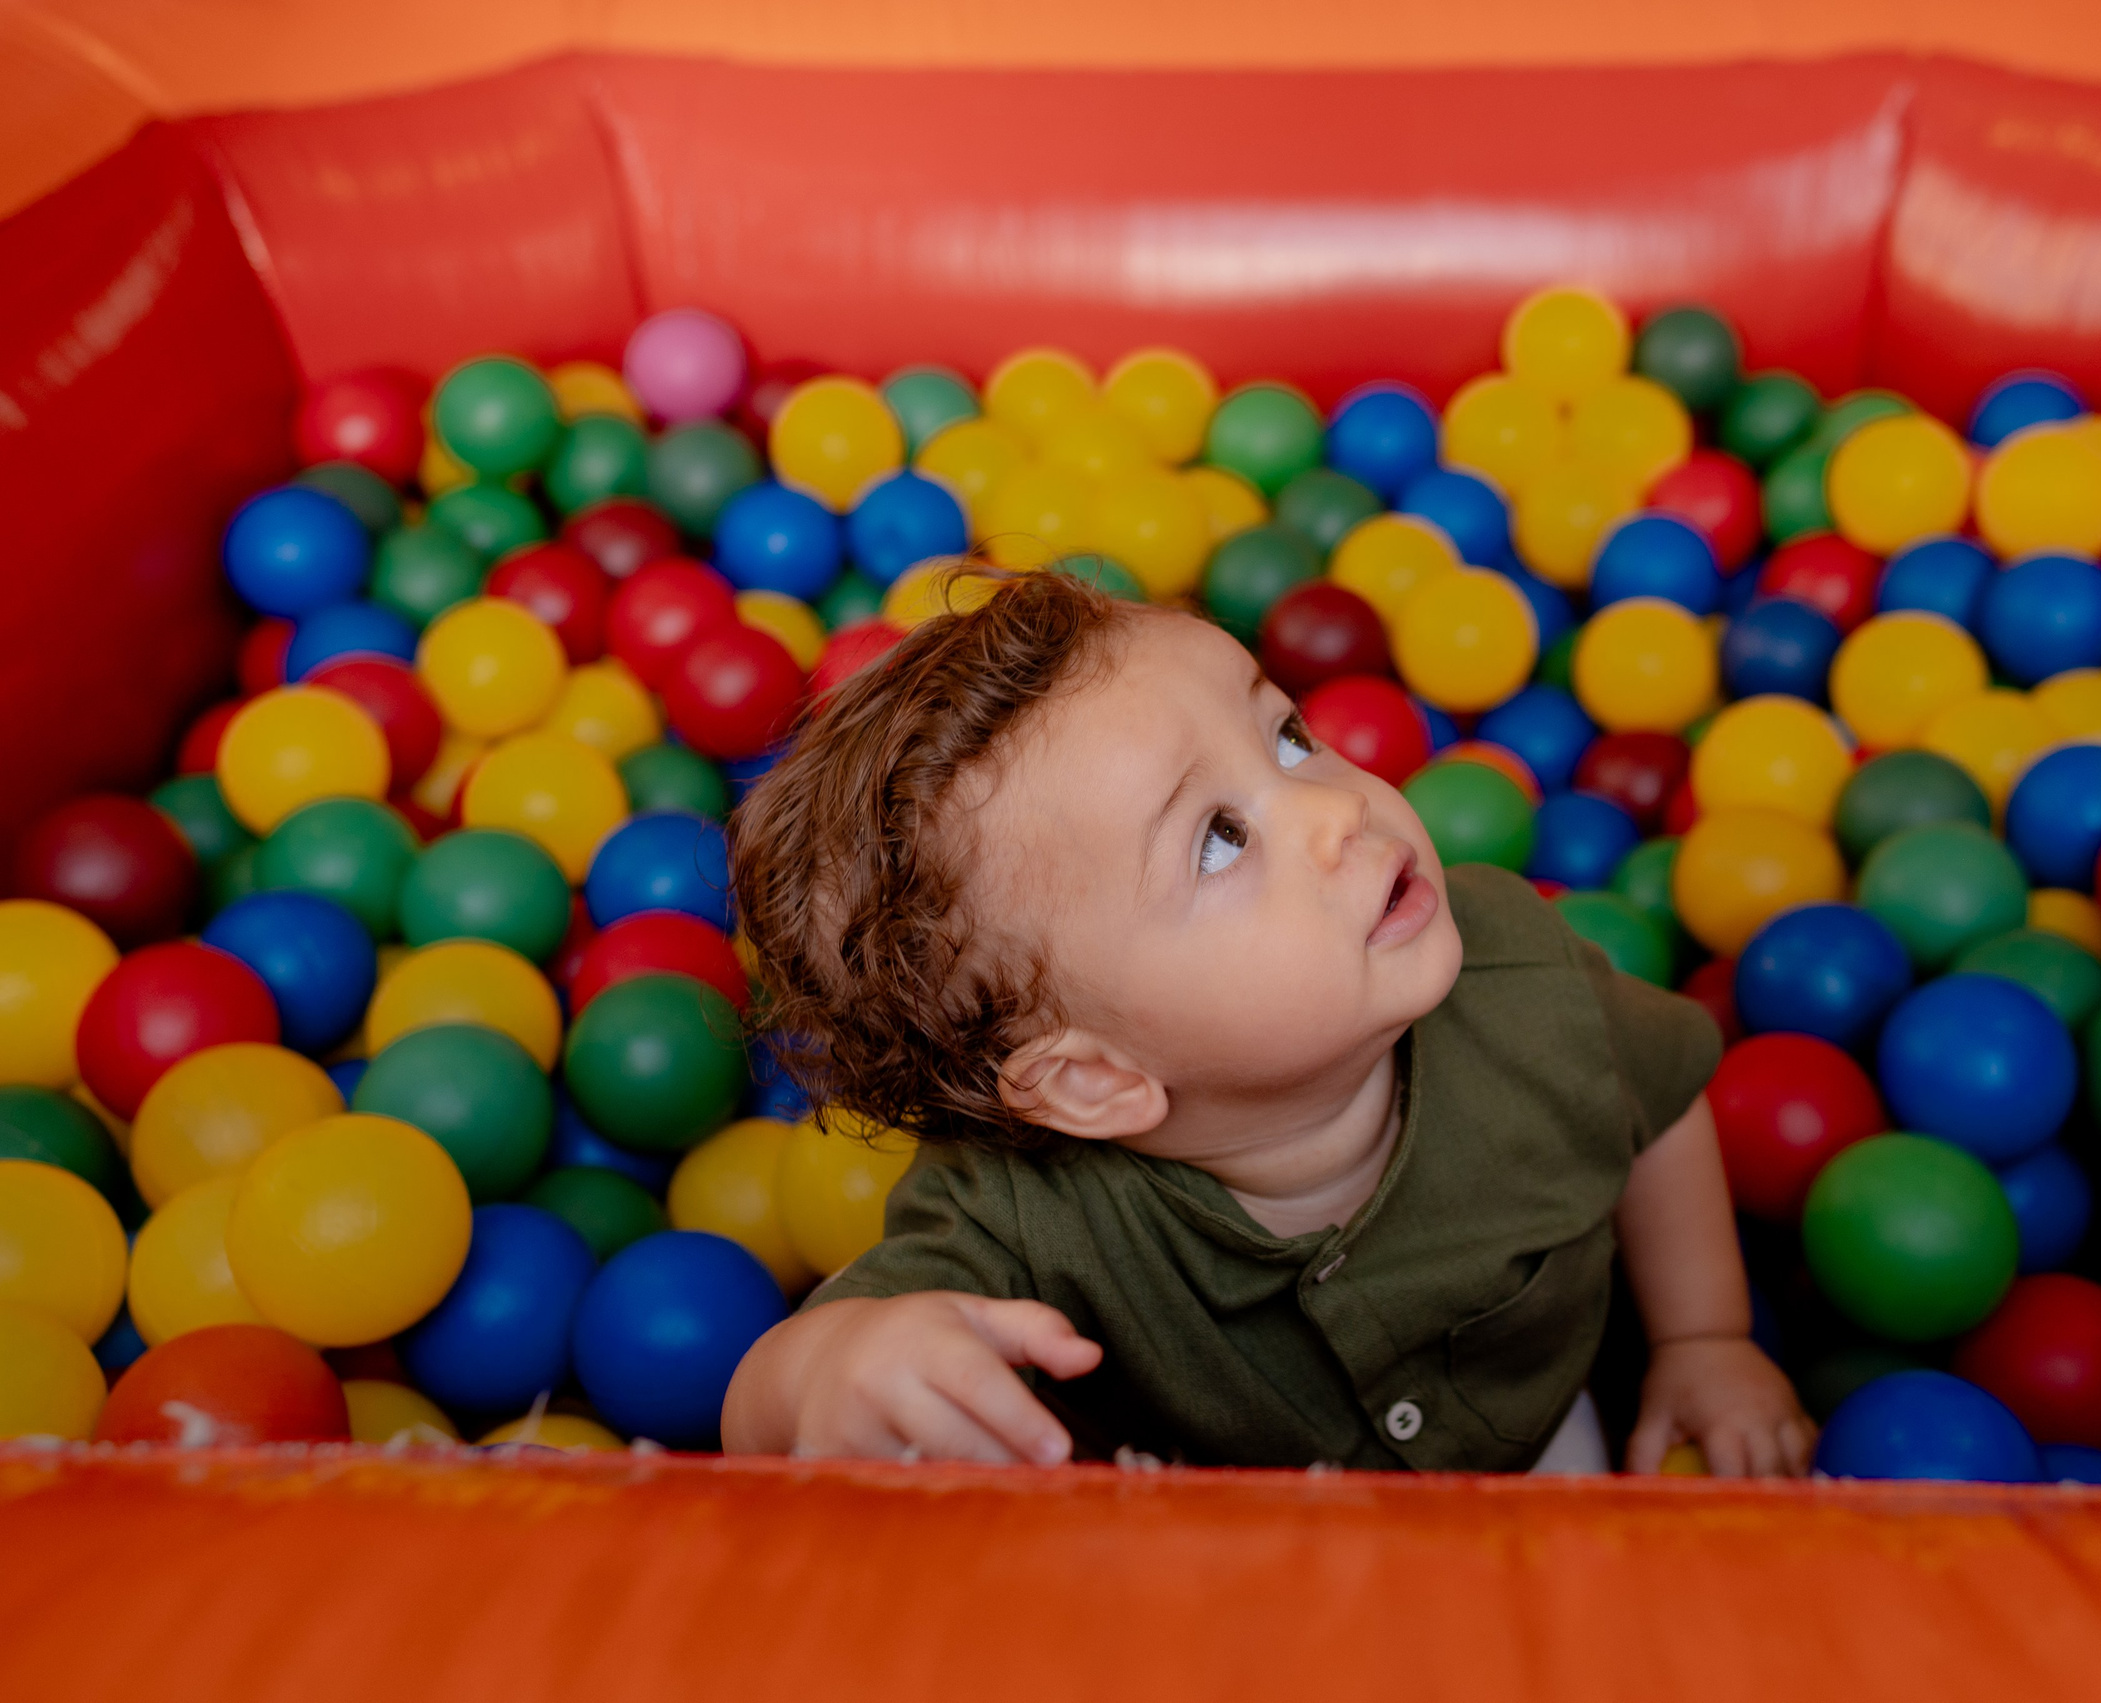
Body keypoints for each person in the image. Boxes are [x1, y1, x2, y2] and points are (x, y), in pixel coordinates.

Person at [721, 567, 1810, 1475]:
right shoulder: (1020, 1219)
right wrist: (834, 1366)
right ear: (1094, 1078)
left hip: (1536, 1452)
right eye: (1217, 840)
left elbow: (1657, 1104)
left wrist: (1702, 1336)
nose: (1337, 808)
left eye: (1287, 737)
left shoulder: (1521, 973)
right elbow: (767, 1405)